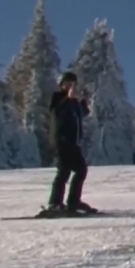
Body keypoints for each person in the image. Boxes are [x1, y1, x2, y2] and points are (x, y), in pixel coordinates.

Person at [47, 71, 94, 214]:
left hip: (73, 143)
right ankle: (55, 203)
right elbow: (57, 111)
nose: (70, 86)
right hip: (61, 141)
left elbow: (83, 113)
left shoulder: (73, 102)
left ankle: (73, 201)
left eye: (73, 84)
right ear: (62, 85)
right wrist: (68, 99)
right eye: (67, 83)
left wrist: (83, 101)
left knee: (79, 170)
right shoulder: (58, 98)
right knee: (65, 171)